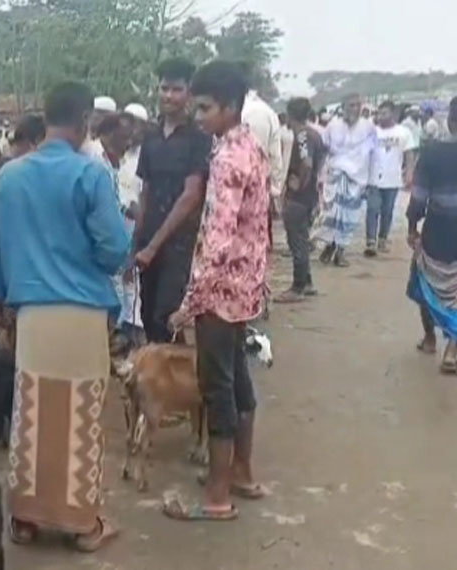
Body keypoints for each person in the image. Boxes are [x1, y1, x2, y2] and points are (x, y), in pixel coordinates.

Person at [0, 81, 130, 552]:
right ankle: (81, 524)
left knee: (32, 415)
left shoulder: (9, 176)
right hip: (82, 315)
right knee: (79, 417)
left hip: (31, 316)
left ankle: (25, 519)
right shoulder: (90, 176)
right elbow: (114, 251)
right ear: (85, 120)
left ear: (44, 116)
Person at [164, 60, 270, 522]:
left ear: (228, 107)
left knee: (217, 389)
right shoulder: (250, 146)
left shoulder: (227, 158)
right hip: (245, 287)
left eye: (205, 107)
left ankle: (217, 494)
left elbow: (218, 240)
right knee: (238, 381)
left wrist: (188, 305)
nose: (199, 115)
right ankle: (242, 472)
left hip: (220, 292)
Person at [135, 57, 212, 343]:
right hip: (149, 238)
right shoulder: (151, 135)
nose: (168, 95)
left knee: (167, 315)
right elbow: (146, 190)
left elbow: (191, 195)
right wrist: (139, 240)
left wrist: (155, 245)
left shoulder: (198, 138)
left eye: (176, 89)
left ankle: (172, 381)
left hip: (179, 242)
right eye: (164, 88)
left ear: (188, 93)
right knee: (146, 314)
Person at [408, 96, 457, 374]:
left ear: (450, 121)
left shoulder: (432, 153)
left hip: (438, 229)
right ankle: (452, 348)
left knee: (422, 281)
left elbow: (418, 196)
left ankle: (429, 339)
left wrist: (413, 226)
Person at [96, 112, 146, 345]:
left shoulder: (112, 162)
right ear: (107, 134)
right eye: (124, 137)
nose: (128, 143)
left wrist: (126, 208)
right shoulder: (95, 161)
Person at [276, 98, 327, 303]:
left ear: (289, 114)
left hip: (299, 197)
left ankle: (298, 288)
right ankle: (306, 283)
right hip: (310, 196)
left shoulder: (303, 136)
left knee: (296, 242)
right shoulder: (315, 134)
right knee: (302, 241)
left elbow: (307, 162)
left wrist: (299, 184)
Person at [316, 93, 376, 267]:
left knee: (350, 217)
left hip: (357, 179)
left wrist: (371, 181)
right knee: (331, 215)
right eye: (351, 105)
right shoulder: (332, 126)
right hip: (335, 176)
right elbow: (323, 151)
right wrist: (319, 175)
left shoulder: (369, 127)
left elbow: (373, 155)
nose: (355, 109)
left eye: (358, 105)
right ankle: (329, 245)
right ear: (343, 107)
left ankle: (341, 251)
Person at [365, 101, 415, 257]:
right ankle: (370, 241)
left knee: (387, 211)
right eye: (379, 113)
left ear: (393, 114)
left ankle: (382, 238)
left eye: (384, 113)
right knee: (372, 209)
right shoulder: (372, 132)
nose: (380, 117)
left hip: (392, 179)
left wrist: (409, 173)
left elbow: (409, 155)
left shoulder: (404, 132)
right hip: (373, 178)